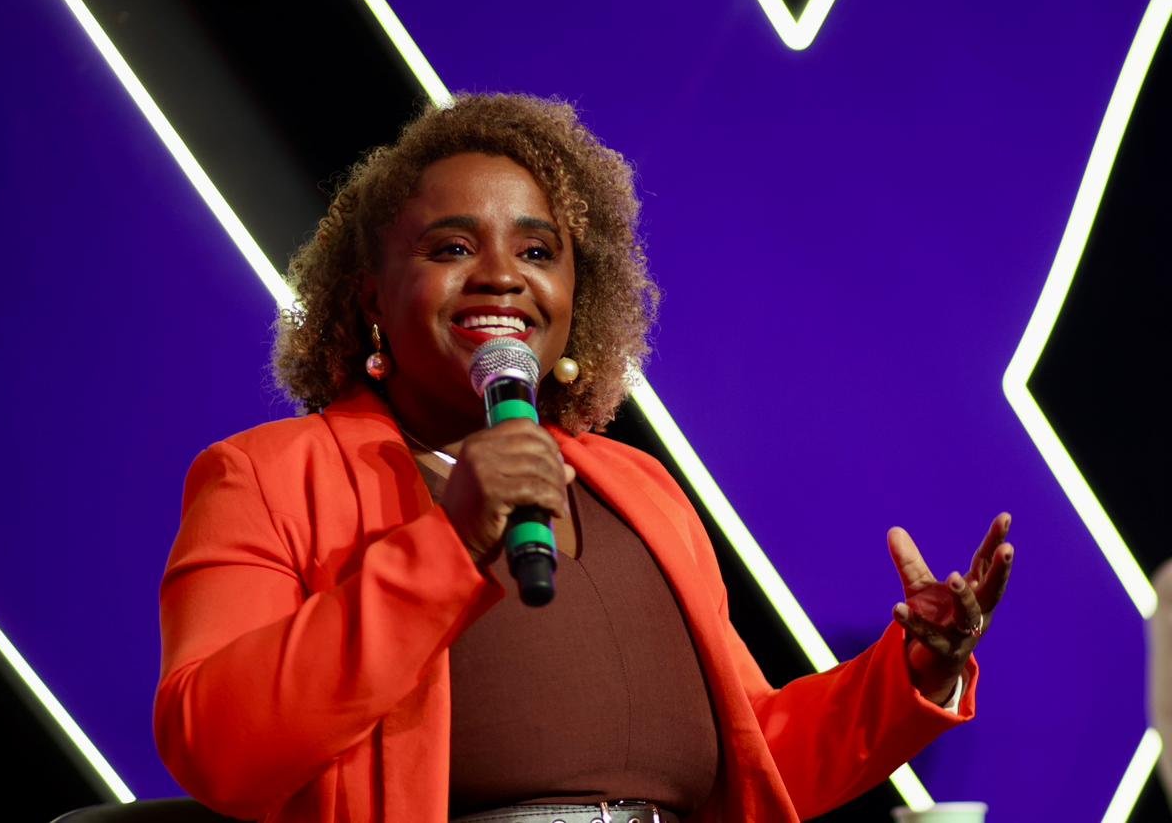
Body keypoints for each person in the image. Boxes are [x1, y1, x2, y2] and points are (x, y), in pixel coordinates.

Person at [154, 94, 1015, 823]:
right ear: (371, 295)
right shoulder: (267, 476)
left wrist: (919, 667)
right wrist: (448, 544)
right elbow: (215, 742)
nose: (502, 276)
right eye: (452, 248)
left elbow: (755, 759)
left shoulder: (637, 486)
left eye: (538, 252)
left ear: (577, 299)